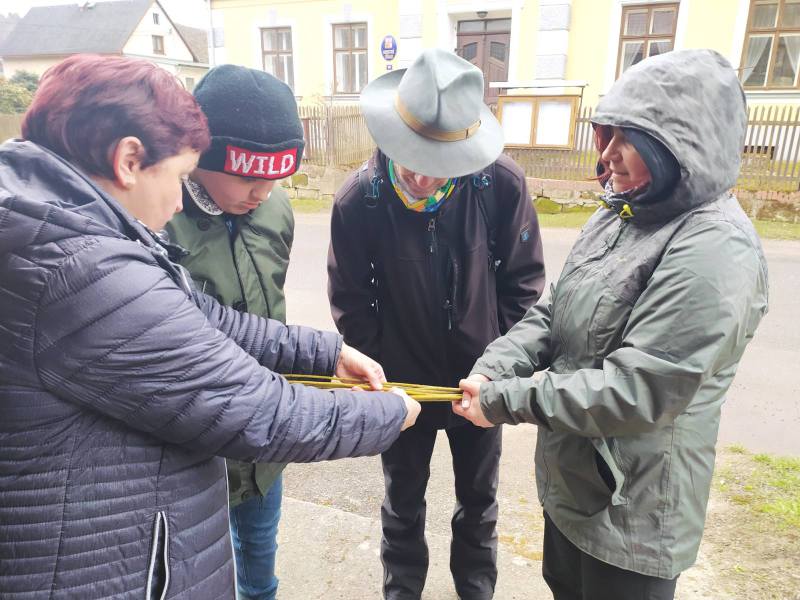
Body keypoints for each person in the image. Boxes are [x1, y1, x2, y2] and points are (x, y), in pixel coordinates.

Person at [0, 54, 420, 600]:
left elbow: (196, 315)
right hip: (97, 565)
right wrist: (390, 412)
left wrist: (323, 353)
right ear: (129, 160)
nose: (179, 199)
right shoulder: (78, 266)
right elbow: (257, 410)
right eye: (179, 176)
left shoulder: (57, 223)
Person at [454, 49, 769, 600]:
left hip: (634, 513)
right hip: (577, 489)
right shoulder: (623, 210)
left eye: (632, 140)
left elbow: (639, 389)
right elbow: (554, 310)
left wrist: (506, 400)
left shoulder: (715, 248)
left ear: (681, 148)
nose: (609, 154)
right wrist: (493, 369)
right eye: (609, 133)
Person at [328, 49, 545, 600]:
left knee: (480, 501)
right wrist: (383, 372)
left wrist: (496, 365)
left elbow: (524, 284)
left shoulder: (500, 184)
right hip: (401, 386)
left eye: (440, 162)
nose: (422, 176)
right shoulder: (359, 200)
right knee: (402, 502)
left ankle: (476, 590)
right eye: (412, 157)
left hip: (481, 381)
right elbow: (351, 301)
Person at [164, 65, 300, 600]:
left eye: (276, 178)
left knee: (261, 560)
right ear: (201, 156)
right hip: (193, 448)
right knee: (194, 572)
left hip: (263, 444)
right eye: (248, 178)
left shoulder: (276, 208)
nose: (262, 193)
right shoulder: (157, 216)